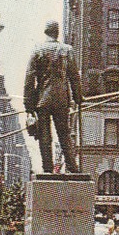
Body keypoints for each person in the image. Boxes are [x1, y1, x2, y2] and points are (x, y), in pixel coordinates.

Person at [23, 20, 84, 175]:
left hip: (42, 99)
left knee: (45, 136)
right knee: (64, 134)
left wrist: (28, 106)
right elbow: (74, 77)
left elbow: (29, 79)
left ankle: (47, 168)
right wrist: (78, 97)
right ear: (57, 33)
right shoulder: (67, 50)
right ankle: (72, 166)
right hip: (62, 99)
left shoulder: (37, 50)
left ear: (45, 32)